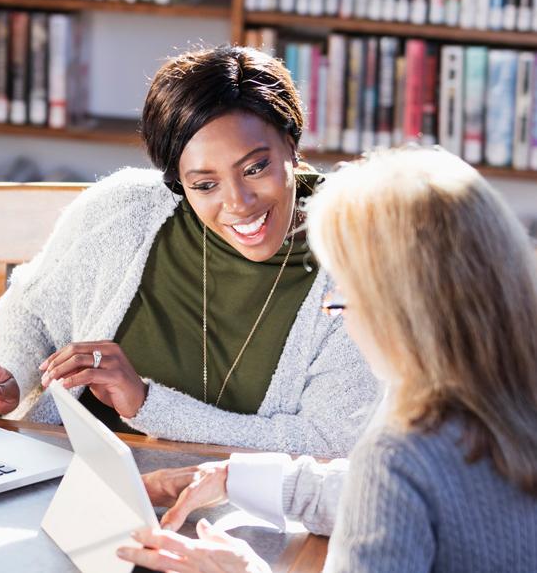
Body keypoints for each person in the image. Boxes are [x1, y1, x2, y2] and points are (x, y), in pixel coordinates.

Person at [0, 46, 377, 455]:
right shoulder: (122, 210)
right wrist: (7, 377)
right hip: (57, 473)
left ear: (292, 146)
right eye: (205, 184)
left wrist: (146, 404)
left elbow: (328, 443)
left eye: (255, 167)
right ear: (178, 183)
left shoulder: (357, 263)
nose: (238, 203)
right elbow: (33, 313)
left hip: (219, 518)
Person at [118, 147, 537, 572]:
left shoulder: (400, 455)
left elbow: (393, 487)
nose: (343, 318)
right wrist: (235, 478)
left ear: (395, 307)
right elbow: (390, 497)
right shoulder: (509, 404)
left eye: (342, 299)